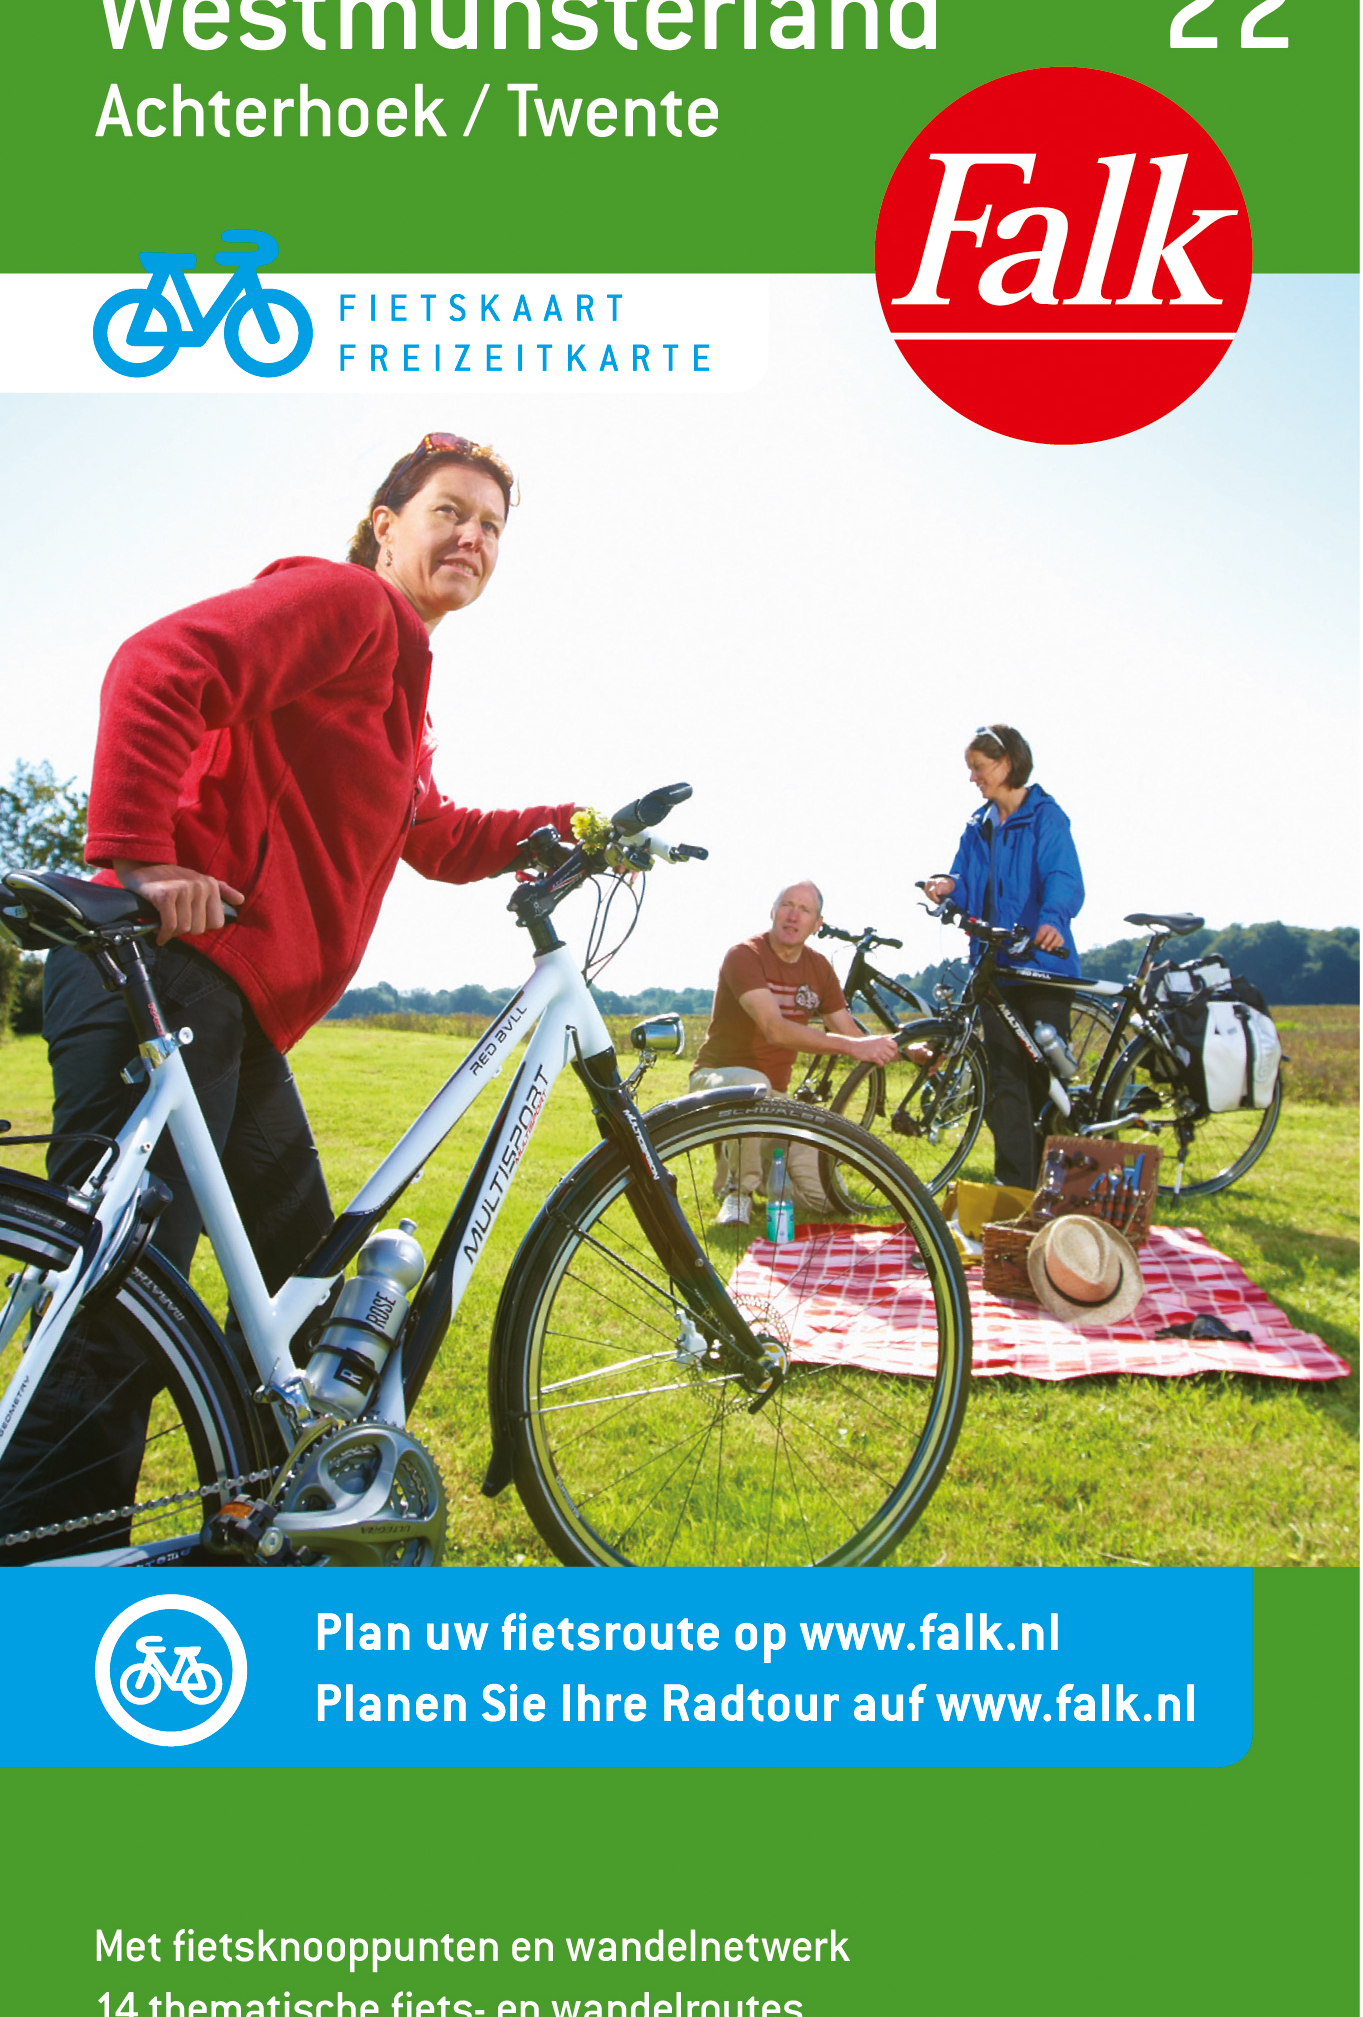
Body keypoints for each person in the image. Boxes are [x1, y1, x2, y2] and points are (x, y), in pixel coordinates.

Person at [0, 432, 578, 1557]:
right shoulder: (349, 607)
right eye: (450, 512)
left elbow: (432, 831)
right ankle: (37, 1592)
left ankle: (271, 1539)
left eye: (492, 527)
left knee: (298, 1294)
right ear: (384, 524)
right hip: (163, 974)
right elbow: (160, 663)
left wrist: (567, 828)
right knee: (125, 1312)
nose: (472, 537)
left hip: (232, 1010)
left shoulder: (401, 687)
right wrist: (139, 856)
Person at [923, 723, 1084, 1189]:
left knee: (1044, 1084)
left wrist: (1053, 919)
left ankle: (1056, 1189)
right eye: (971, 768)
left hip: (1042, 964)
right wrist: (949, 886)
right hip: (995, 968)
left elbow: (1063, 876)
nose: (973, 777)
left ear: (1008, 763)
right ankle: (1015, 1189)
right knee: (1004, 1084)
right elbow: (966, 880)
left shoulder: (1045, 817)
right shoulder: (978, 826)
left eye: (979, 767)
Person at [689, 881, 900, 1224]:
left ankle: (753, 1171)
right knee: (752, 1084)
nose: (793, 915)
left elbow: (851, 1033)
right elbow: (774, 1028)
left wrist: (910, 1052)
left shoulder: (819, 968)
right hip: (717, 1082)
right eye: (787, 905)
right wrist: (852, 1047)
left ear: (817, 924)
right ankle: (738, 1191)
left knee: (828, 1198)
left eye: (804, 910)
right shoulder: (745, 955)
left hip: (775, 1098)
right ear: (773, 911)